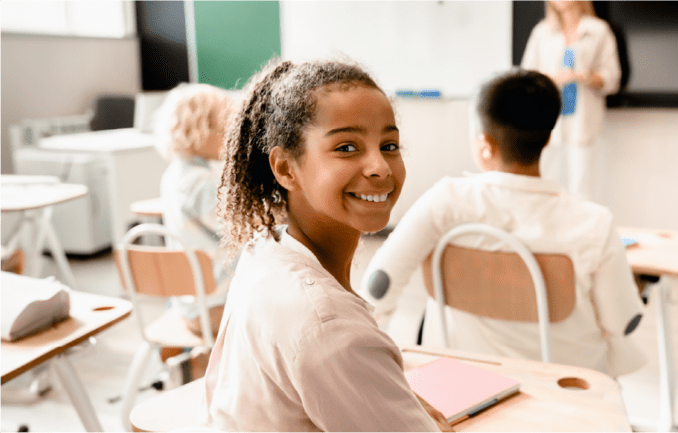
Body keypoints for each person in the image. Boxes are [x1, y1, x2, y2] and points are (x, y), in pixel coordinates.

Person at [202, 58, 453, 432]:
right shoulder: (329, 327)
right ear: (286, 169)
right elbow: (330, 342)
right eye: (347, 147)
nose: (380, 167)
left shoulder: (264, 250)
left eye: (389, 145)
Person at [361, 69, 646, 379]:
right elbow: (624, 322)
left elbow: (378, 285)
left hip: (463, 383)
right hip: (563, 392)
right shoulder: (594, 224)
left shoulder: (445, 201)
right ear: (549, 137)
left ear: (484, 143)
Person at [154, 83, 237, 337]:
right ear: (200, 132)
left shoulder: (175, 175)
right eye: (226, 130)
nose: (232, 138)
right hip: (217, 309)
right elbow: (245, 234)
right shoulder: (203, 184)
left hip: (189, 304)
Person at [521, 0, 621, 201]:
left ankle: (580, 232)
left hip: (583, 122)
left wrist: (583, 76)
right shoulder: (542, 32)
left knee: (581, 186)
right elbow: (527, 78)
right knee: (545, 185)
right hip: (548, 122)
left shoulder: (598, 30)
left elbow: (612, 78)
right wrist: (551, 79)